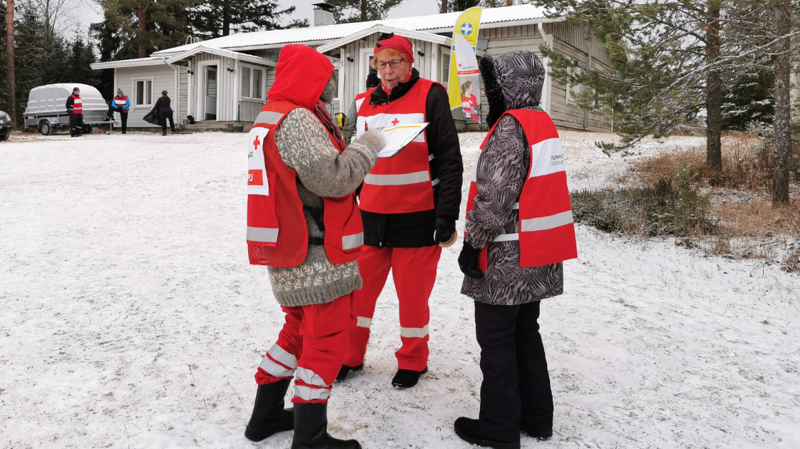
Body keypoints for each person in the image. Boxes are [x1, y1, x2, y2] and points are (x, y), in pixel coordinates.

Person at [244, 44, 386, 449]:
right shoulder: (299, 118)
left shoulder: (270, 115)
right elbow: (333, 179)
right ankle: (311, 438)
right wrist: (368, 145)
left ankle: (266, 414)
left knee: (297, 331)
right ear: (312, 79)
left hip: (288, 247)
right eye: (327, 80)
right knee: (325, 343)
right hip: (318, 251)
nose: (330, 89)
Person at [454, 50, 578, 449]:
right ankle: (537, 418)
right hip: (539, 252)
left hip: (506, 257)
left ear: (507, 86)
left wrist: (472, 244)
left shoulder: (510, 128)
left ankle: (498, 428)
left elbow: (496, 197)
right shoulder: (542, 123)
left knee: (497, 342)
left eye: (493, 84)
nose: (490, 92)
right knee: (526, 333)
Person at [339, 33, 463, 389]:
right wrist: (348, 208)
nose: (388, 71)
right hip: (370, 218)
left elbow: (450, 159)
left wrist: (446, 214)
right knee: (357, 296)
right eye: (382, 64)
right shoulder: (363, 102)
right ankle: (350, 355)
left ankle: (413, 360)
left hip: (418, 216)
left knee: (412, 297)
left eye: (396, 63)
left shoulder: (431, 94)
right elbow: (353, 163)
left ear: (410, 63)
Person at [344, 70, 380, 144]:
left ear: (366, 87)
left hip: (362, 143)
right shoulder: (387, 98)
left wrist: (345, 145)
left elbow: (349, 123)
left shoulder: (359, 100)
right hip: (381, 143)